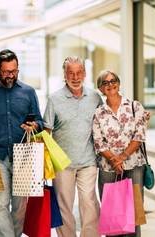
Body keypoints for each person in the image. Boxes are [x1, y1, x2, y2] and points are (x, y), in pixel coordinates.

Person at [0, 49, 43, 237]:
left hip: (24, 156)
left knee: (19, 207)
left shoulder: (29, 92)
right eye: (6, 71)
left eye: (14, 71)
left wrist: (34, 126)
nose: (11, 76)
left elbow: (40, 121)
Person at [43, 56, 102, 237]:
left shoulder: (94, 97)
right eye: (71, 73)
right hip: (63, 165)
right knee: (64, 206)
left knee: (89, 202)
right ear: (64, 75)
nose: (75, 77)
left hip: (88, 161)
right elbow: (46, 131)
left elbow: (106, 123)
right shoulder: (54, 99)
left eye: (79, 73)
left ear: (84, 73)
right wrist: (46, 164)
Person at [92, 69, 150, 237]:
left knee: (133, 214)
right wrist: (114, 161)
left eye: (113, 81)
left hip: (133, 165)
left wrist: (122, 158)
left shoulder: (134, 106)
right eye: (105, 82)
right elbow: (98, 141)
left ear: (118, 83)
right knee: (112, 213)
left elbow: (139, 136)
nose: (110, 85)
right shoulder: (99, 113)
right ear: (100, 89)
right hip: (108, 169)